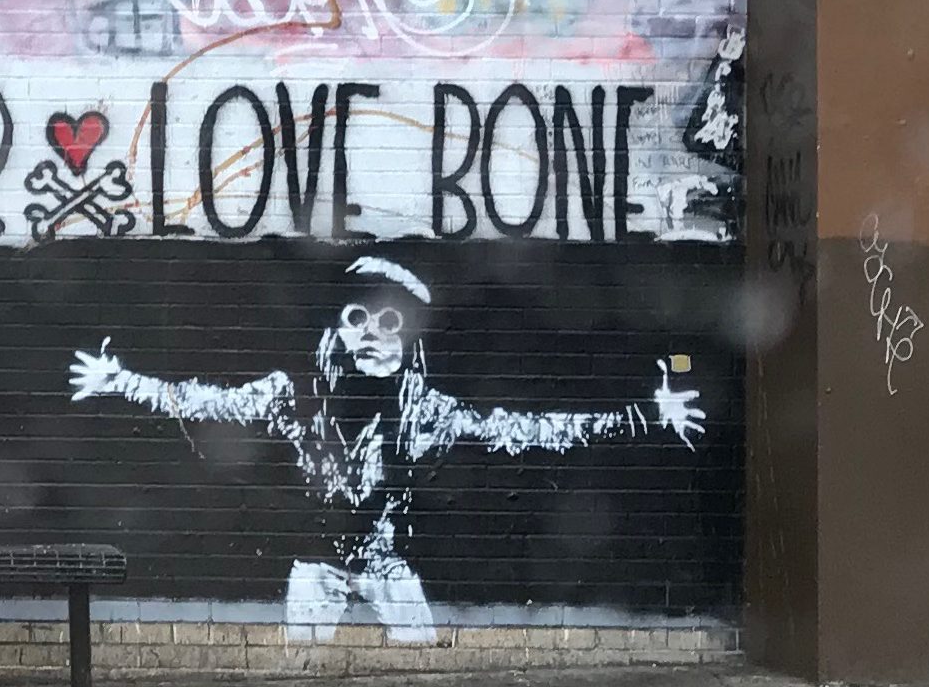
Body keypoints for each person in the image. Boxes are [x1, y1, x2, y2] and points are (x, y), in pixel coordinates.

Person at [65, 257, 704, 642]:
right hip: (315, 566)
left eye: (392, 322)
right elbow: (208, 403)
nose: (373, 334)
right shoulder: (293, 397)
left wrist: (643, 415)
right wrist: (120, 380)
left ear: (411, 341)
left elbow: (532, 429)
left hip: (387, 564)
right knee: (302, 666)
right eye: (358, 318)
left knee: (419, 651)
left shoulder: (425, 414)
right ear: (334, 331)